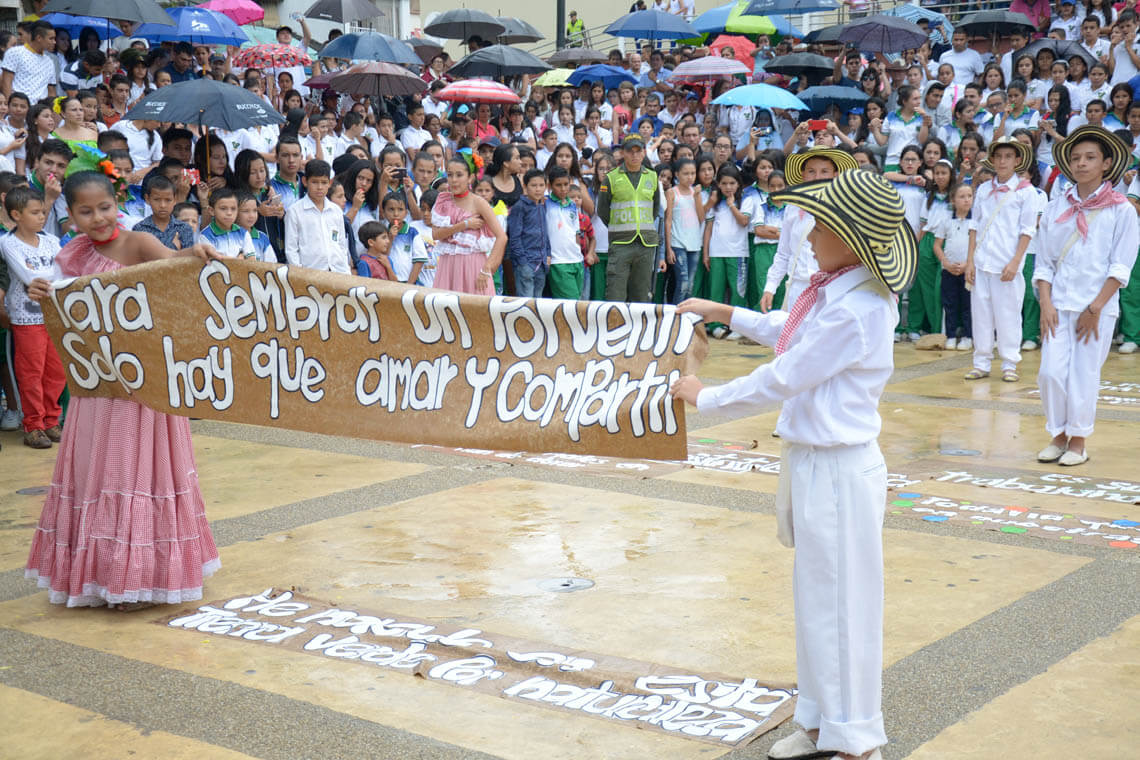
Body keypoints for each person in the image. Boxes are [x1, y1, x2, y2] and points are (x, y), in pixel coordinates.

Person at [671, 170, 918, 760]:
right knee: (817, 601)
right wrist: (722, 310)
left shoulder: (856, 308)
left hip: (839, 469)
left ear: (854, 237)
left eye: (820, 225)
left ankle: (857, 740)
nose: (805, 235)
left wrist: (707, 396)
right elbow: (789, 332)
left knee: (844, 607)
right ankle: (818, 723)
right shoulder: (836, 292)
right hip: (814, 462)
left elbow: (787, 373)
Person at [23, 170, 223, 608]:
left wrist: (197, 251)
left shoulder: (137, 243)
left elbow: (179, 263)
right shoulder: (72, 252)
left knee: (137, 469)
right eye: (85, 211)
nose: (97, 217)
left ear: (118, 203)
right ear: (71, 215)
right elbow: (58, 293)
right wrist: (41, 290)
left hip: (143, 383)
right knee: (102, 471)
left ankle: (138, 578)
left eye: (105, 207)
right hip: (97, 385)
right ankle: (104, 577)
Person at [1034, 126, 1138, 466]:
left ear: (1106, 163)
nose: (1082, 164)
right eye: (1076, 158)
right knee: (1050, 371)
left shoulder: (1121, 210)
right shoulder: (1056, 206)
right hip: (1058, 304)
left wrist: (1096, 307)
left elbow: (1121, 266)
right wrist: (1045, 303)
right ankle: (1057, 434)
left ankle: (1077, 441)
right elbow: (1045, 261)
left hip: (1096, 308)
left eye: (1090, 158)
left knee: (1083, 374)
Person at [965, 137, 1037, 382]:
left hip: (1007, 262)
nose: (1003, 161)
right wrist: (970, 261)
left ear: (1017, 160)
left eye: (1009, 156)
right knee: (981, 313)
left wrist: (1016, 261)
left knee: (1008, 314)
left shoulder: (1026, 192)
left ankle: (1009, 363)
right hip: (983, 261)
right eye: (999, 156)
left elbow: (1027, 230)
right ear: (992, 160)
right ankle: (981, 362)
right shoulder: (984, 189)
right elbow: (974, 226)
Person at [0, 184, 62, 448]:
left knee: (56, 371)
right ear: (16, 215)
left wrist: (53, 278)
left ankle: (51, 421)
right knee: (31, 373)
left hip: (55, 315)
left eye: (43, 211)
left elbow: (65, 269)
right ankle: (33, 424)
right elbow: (29, 277)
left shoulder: (51, 240)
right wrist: (54, 277)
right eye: (35, 212)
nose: (42, 216)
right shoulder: (7, 243)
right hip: (26, 317)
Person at [762, 148, 859, 312]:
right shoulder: (792, 208)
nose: (817, 177)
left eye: (824, 171)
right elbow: (784, 253)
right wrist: (770, 287)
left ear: (835, 174)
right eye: (811, 171)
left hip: (832, 290)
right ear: (802, 174)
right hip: (797, 288)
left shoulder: (845, 209)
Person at [430, 151, 506, 296]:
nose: (453, 180)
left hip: (473, 266)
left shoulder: (478, 202)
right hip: (448, 265)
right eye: (450, 175)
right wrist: (464, 224)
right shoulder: (443, 200)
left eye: (459, 175)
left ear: (470, 177)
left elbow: (502, 237)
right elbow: (435, 234)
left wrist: (487, 268)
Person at [596, 134, 660, 302]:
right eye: (630, 151)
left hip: (646, 243)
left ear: (644, 153)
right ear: (623, 153)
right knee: (615, 294)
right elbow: (602, 210)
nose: (634, 155)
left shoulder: (652, 177)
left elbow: (655, 208)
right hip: (620, 243)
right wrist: (619, 226)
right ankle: (615, 327)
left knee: (641, 294)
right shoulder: (611, 178)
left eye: (638, 151)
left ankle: (638, 329)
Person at [702, 164, 755, 339]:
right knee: (716, 291)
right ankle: (716, 325)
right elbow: (708, 228)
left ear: (738, 184)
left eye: (732, 183)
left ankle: (737, 327)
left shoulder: (745, 200)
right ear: (719, 184)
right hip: (717, 252)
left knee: (738, 291)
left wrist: (732, 206)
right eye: (724, 183)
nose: (728, 187)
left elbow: (744, 222)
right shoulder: (715, 203)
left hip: (738, 253)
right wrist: (706, 254)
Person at [284, 159, 350, 273]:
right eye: (314, 182)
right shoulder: (295, 211)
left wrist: (345, 268)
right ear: (305, 181)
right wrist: (300, 275)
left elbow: (341, 245)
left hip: (339, 272)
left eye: (324, 182)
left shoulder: (336, 211)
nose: (319, 187)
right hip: (310, 274)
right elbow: (291, 249)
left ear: (330, 183)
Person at [935, 183, 975, 351]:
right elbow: (937, 245)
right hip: (949, 270)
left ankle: (968, 336)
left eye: (969, 196)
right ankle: (950, 335)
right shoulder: (946, 221)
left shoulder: (975, 222)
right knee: (949, 303)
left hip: (968, 271)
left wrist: (967, 264)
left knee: (968, 304)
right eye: (962, 197)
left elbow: (978, 245)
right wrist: (945, 262)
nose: (966, 200)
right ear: (953, 200)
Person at [507, 168, 549, 299]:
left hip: (541, 262)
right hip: (526, 263)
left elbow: (545, 233)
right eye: (533, 185)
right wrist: (522, 261)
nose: (538, 189)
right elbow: (514, 237)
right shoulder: (520, 207)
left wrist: (547, 254)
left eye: (541, 185)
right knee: (526, 302)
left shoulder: (542, 205)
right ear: (525, 187)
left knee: (538, 302)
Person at [545, 166, 586, 299]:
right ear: (550, 186)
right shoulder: (545, 203)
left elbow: (576, 232)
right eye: (558, 185)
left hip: (577, 260)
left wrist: (580, 252)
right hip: (558, 262)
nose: (563, 189)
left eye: (566, 184)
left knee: (576, 302)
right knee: (571, 304)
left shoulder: (573, 205)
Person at [133, 174, 193, 250]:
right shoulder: (140, 229)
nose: (162, 205)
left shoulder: (184, 228)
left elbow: (189, 260)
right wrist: (173, 246)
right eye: (157, 199)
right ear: (147, 199)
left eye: (168, 200)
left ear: (175, 200)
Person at [1, 20, 56, 101]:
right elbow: (6, 83)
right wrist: (11, 106)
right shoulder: (15, 52)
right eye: (51, 38)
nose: (54, 42)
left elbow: (51, 91)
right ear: (39, 38)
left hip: (40, 110)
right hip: (18, 108)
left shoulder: (49, 62)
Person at [381, 192, 427, 285]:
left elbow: (419, 260)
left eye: (400, 209)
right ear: (384, 212)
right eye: (391, 209)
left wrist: (409, 284)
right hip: (386, 282)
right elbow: (382, 256)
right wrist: (390, 238)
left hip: (407, 282)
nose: (396, 214)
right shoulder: (381, 232)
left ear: (406, 213)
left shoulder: (412, 233)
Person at [236, 190, 277, 262]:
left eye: (255, 210)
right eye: (246, 211)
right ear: (235, 212)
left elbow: (272, 263)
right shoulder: (230, 236)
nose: (251, 215)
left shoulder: (262, 237)